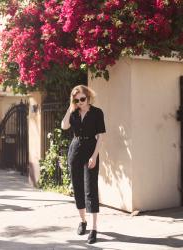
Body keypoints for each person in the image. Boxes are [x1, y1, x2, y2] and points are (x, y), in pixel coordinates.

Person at [61, 85, 106, 244]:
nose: (80, 102)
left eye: (82, 99)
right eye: (76, 99)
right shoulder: (73, 113)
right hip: (75, 150)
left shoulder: (97, 113)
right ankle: (83, 221)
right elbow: (64, 126)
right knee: (78, 186)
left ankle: (94, 229)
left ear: (88, 97)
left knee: (91, 188)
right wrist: (70, 106)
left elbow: (100, 137)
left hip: (90, 150)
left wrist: (94, 156)